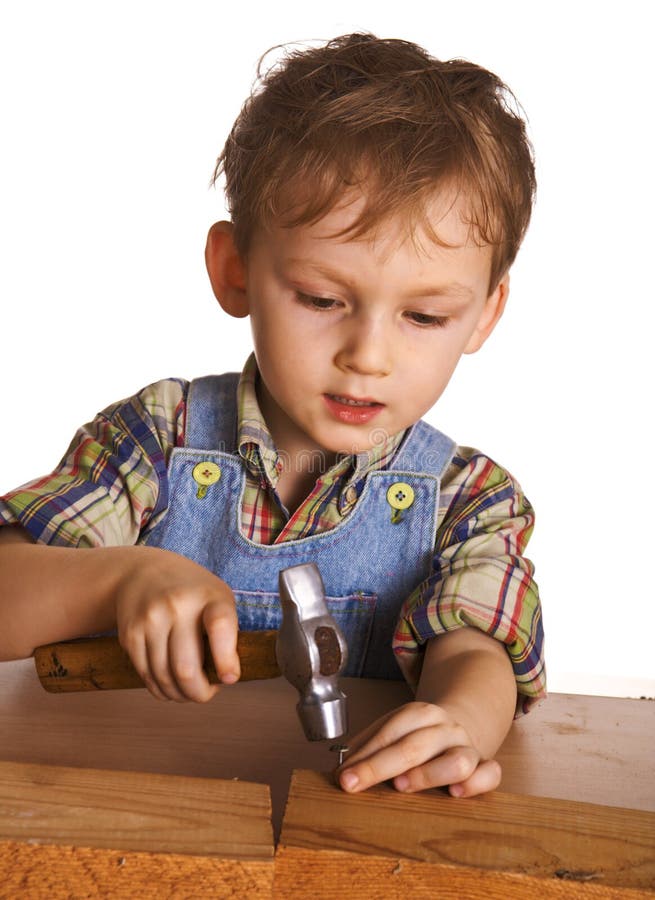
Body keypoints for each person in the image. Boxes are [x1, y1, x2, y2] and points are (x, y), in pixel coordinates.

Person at [0, 33, 545, 799]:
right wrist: (121, 579)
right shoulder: (158, 441)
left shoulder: (466, 501)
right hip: (141, 812)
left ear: (484, 315)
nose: (367, 355)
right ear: (235, 272)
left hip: (344, 834)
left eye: (423, 317)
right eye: (322, 300)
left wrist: (462, 718)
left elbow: (477, 648)